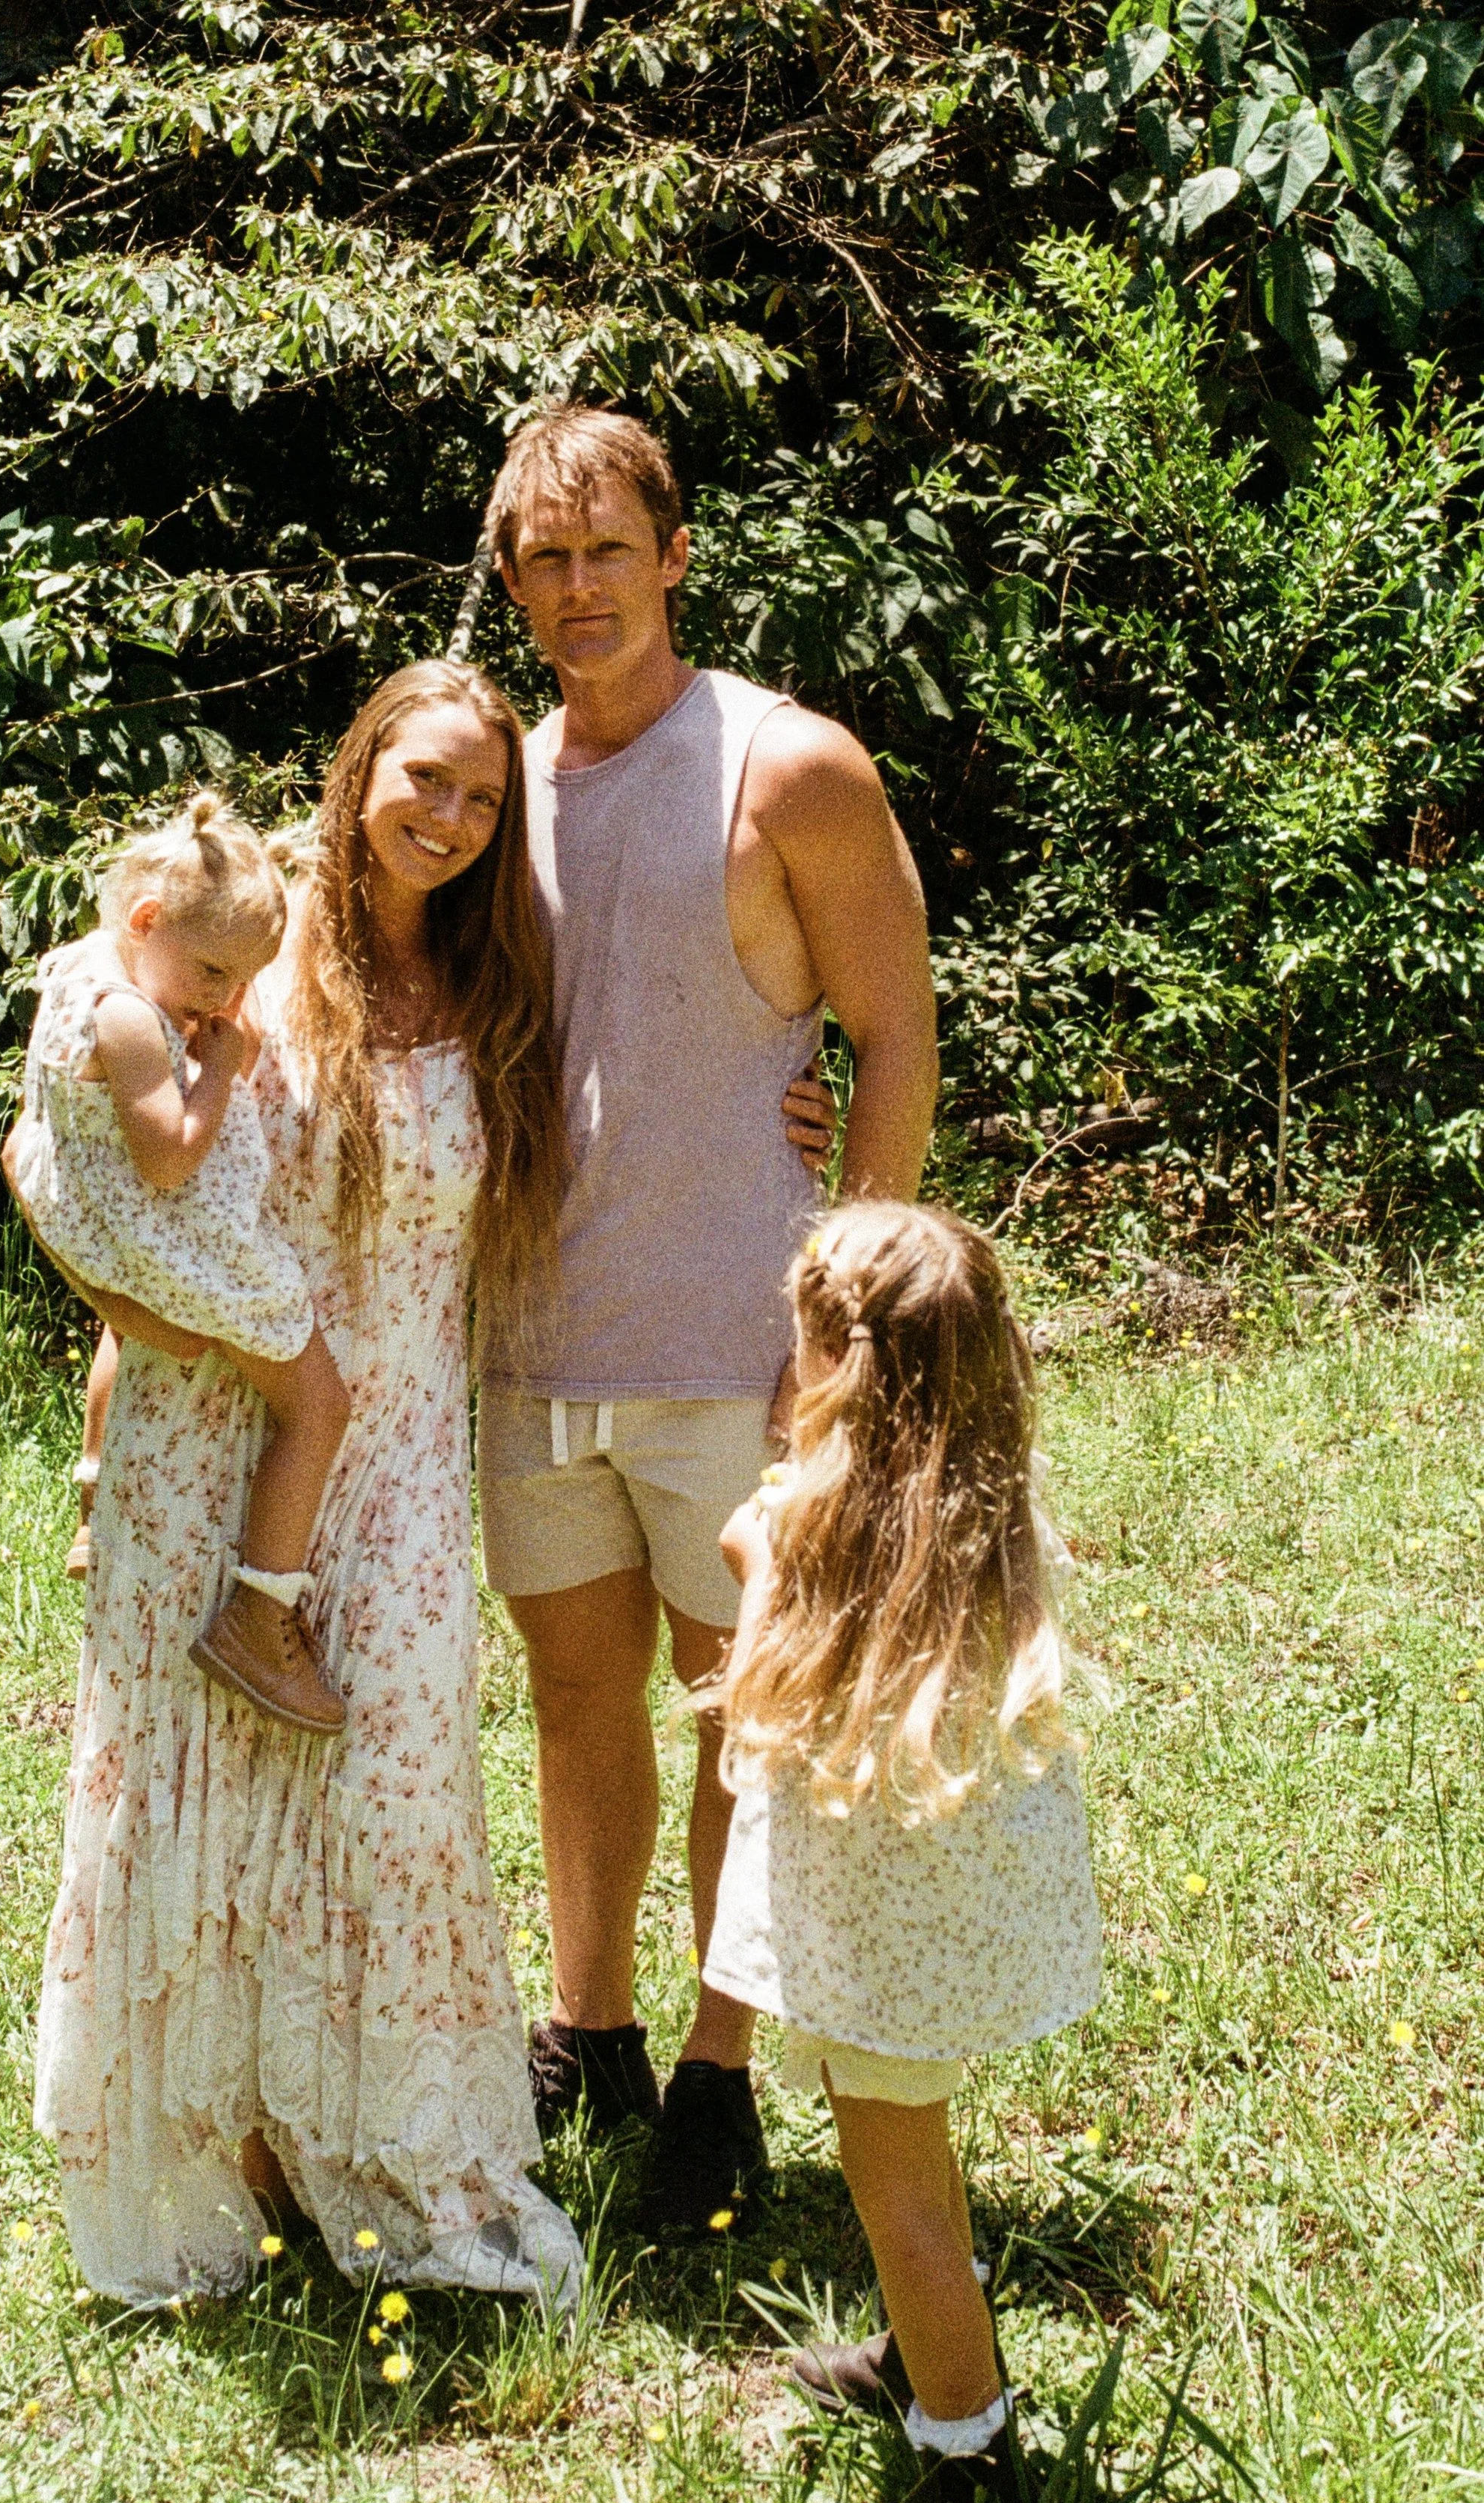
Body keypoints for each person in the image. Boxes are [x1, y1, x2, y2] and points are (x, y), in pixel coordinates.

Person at [19, 660, 589, 2311]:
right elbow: (78, 1160)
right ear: (358, 773)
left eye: (481, 797)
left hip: (398, 1430)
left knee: (396, 1775)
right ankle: (234, 2155)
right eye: (422, 777)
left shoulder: (498, 976)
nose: (448, 815)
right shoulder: (247, 947)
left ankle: (401, 2145)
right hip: (219, 1426)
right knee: (206, 1790)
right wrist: (108, 1371)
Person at [474, 404, 940, 2232]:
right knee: (578, 1705)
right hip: (533, 1342)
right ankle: (588, 2031)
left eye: (609, 550)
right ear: (511, 580)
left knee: (743, 1713)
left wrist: (849, 1303)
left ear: (674, 556)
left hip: (741, 1336)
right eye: (543, 556)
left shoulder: (785, 764)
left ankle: (714, 2072)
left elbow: (892, 1029)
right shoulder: (490, 781)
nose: (578, 587)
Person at [706, 1201, 1101, 2503]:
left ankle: (965, 2440)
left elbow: (755, 1715)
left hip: (878, 1935)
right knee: (917, 2159)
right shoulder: (982, 1504)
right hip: (961, 1914)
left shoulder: (811, 1530)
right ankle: (927, 2343)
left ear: (836, 1363)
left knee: (900, 2190)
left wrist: (751, 1564)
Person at [10, 794, 352, 1735]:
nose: (221, 1000)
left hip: (93, 1204)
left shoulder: (91, 959)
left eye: (243, 980)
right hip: (173, 1232)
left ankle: (90, 1499)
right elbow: (167, 1159)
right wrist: (222, 1067)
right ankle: (260, 1613)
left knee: (128, 1326)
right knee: (319, 1404)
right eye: (211, 970)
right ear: (148, 920)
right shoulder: (127, 1018)